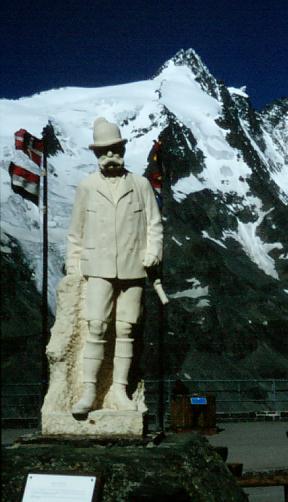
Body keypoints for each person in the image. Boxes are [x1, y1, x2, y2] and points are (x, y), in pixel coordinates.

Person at [66, 117, 163, 415]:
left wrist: (153, 252)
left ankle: (120, 390)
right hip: (98, 266)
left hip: (133, 267)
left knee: (126, 328)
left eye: (115, 150)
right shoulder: (86, 187)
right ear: (96, 154)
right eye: (104, 152)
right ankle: (89, 390)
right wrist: (74, 266)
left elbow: (154, 224)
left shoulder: (141, 185)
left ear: (122, 148)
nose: (110, 157)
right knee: (96, 326)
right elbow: (76, 232)